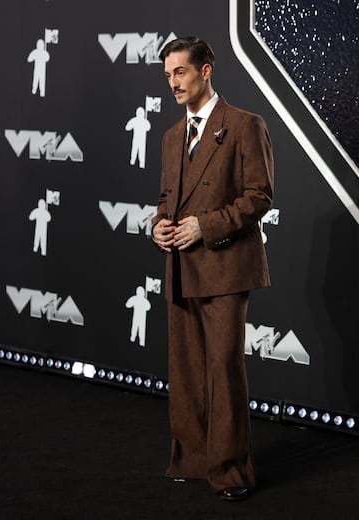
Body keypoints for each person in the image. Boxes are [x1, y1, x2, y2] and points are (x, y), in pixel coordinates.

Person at [151, 36, 274, 501]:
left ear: (205, 71)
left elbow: (260, 197)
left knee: (223, 370)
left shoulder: (245, 125)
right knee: (184, 371)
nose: (173, 84)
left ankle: (231, 472)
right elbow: (167, 201)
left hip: (225, 269)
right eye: (167, 76)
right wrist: (158, 226)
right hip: (181, 267)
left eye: (180, 73)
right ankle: (192, 458)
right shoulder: (169, 137)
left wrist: (205, 227)